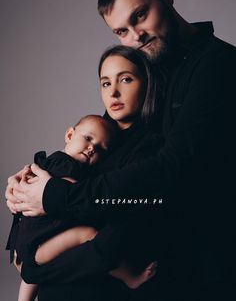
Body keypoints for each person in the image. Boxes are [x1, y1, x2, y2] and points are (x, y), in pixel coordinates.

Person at [6, 0, 235, 300]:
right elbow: (94, 153)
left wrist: (56, 199)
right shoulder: (145, 67)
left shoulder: (217, 64)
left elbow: (172, 169)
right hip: (135, 229)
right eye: (121, 31)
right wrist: (27, 191)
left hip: (193, 251)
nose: (136, 36)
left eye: (141, 16)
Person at [8, 45, 162, 301]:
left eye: (126, 79)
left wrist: (35, 268)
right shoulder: (96, 133)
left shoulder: (151, 148)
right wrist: (18, 195)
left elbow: (117, 222)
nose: (113, 92)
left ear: (147, 83)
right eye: (105, 83)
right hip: (53, 279)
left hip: (90, 287)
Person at [7, 114, 115, 301]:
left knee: (31, 277)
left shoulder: (50, 161)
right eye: (88, 139)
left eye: (99, 149)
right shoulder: (66, 164)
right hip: (39, 243)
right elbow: (68, 191)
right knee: (89, 234)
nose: (91, 149)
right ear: (69, 135)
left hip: (29, 242)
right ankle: (129, 276)